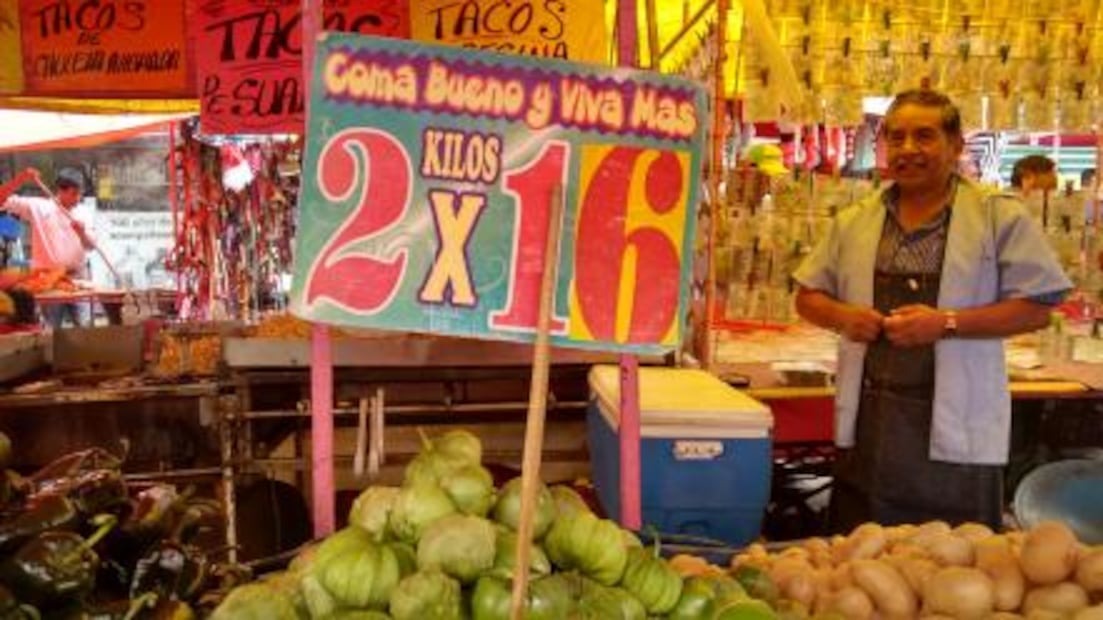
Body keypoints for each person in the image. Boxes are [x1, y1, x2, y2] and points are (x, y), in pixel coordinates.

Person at [793, 89, 1071, 531]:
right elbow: (807, 297)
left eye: (924, 136)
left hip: (958, 430)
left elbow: (1040, 306)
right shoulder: (856, 220)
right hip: (871, 428)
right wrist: (844, 316)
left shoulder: (997, 215)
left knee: (959, 561)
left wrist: (946, 324)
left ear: (956, 144)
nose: (908, 149)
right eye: (896, 137)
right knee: (862, 559)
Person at [0, 168, 95, 328]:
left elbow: (91, 246)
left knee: (85, 328)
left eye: (80, 193)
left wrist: (82, 234)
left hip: (79, 280)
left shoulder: (84, 212)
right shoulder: (39, 207)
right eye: (73, 193)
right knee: (51, 331)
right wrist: (21, 179)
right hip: (49, 281)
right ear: (60, 191)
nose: (78, 198)